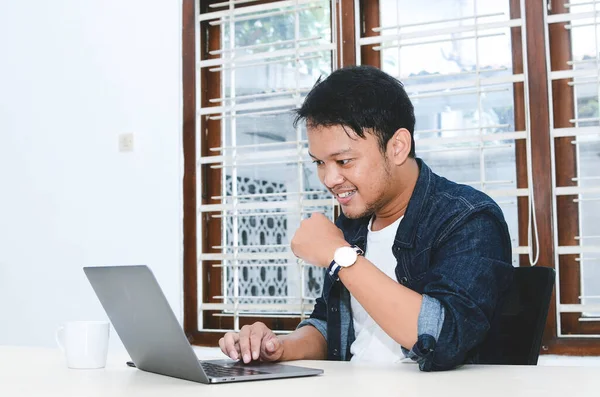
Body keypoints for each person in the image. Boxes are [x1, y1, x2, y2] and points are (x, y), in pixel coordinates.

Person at [218, 65, 514, 371]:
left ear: (397, 147)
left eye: (344, 161)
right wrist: (278, 348)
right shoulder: (351, 224)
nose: (329, 178)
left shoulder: (468, 218)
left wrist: (340, 257)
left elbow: (443, 337)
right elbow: (330, 326)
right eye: (320, 162)